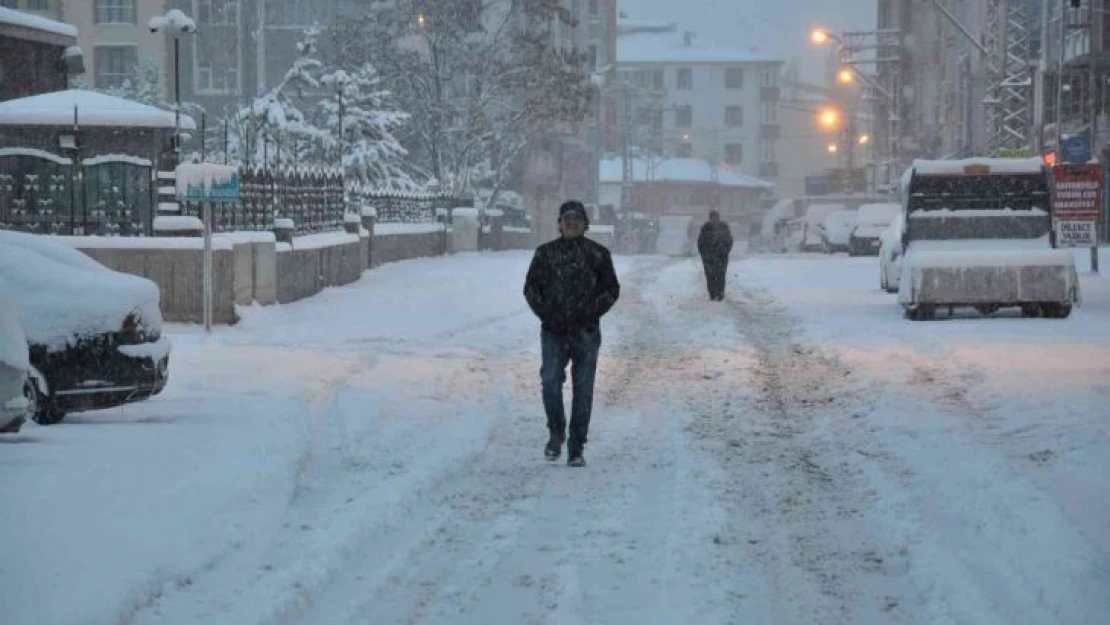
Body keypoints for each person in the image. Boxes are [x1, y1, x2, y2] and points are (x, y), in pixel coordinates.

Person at [523, 200, 621, 467]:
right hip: (554, 330)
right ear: (560, 223)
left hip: (585, 331)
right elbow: (531, 289)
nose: (571, 223)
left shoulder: (597, 255)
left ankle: (576, 446)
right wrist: (548, 315)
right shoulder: (545, 254)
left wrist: (590, 314)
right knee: (550, 381)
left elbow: (611, 289)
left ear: (585, 224)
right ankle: (556, 431)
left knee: (584, 389)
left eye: (576, 219)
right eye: (567, 219)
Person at [697, 210, 734, 301]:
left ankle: (717, 293)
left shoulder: (721, 227)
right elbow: (701, 243)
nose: (714, 219)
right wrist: (704, 254)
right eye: (713, 217)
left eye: (715, 217)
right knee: (714, 276)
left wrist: (725, 251)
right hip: (713, 257)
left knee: (717, 275)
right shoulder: (707, 227)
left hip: (718, 257)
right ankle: (715, 293)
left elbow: (729, 241)